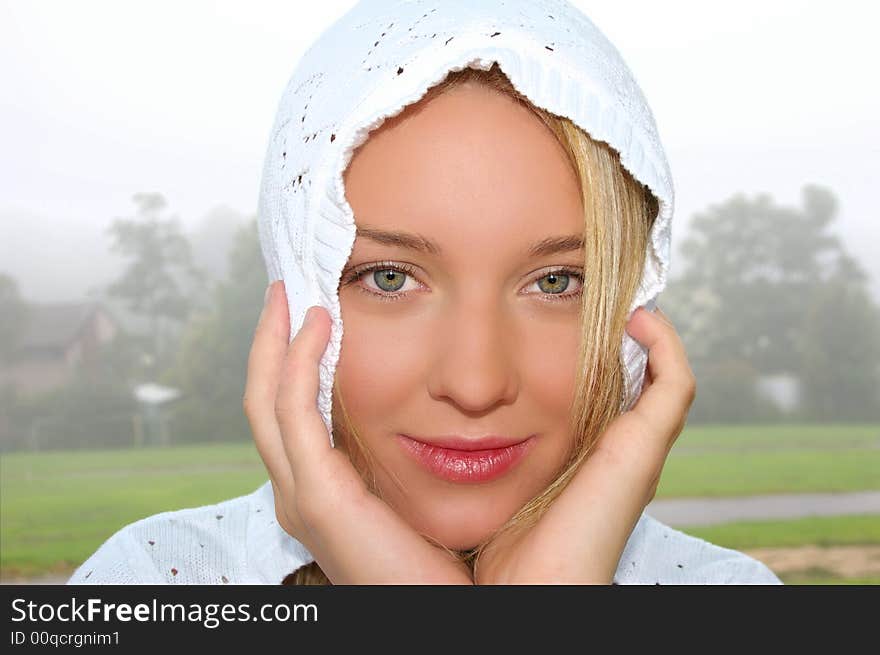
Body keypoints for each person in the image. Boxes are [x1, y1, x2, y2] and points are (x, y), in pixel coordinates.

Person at [68, 0, 781, 585]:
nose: (475, 383)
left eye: (557, 282)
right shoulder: (149, 582)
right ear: (296, 285)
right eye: (390, 277)